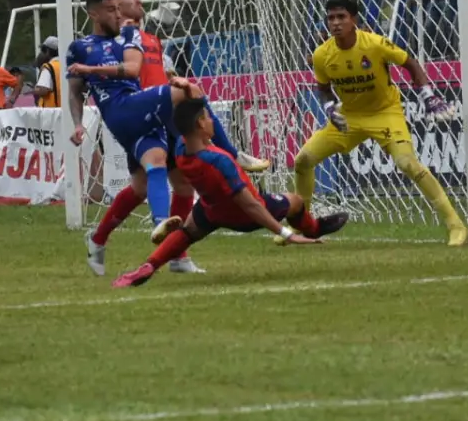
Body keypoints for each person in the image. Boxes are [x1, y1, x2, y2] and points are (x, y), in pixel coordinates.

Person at [67, 0, 256, 272]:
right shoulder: (85, 46)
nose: (131, 3)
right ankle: (231, 154)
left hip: (155, 109)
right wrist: (78, 123)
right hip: (135, 110)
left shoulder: (143, 38)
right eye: (123, 0)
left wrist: (168, 79)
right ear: (96, 12)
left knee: (158, 180)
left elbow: (135, 70)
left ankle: (155, 246)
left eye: (130, 0)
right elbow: (75, 90)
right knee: (190, 93)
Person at [111, 98, 349, 289]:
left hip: (211, 208)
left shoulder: (181, 148)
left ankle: (149, 265)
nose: (213, 120)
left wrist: (184, 90)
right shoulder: (220, 161)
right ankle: (314, 228)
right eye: (208, 116)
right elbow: (251, 206)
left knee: (189, 231)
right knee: (295, 201)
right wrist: (286, 233)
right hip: (243, 215)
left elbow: (185, 118)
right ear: (201, 125)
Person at [292, 0, 468, 246]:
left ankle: (456, 225)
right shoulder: (322, 54)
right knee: (303, 160)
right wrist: (330, 107)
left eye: (341, 17)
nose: (335, 23)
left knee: (407, 163)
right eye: (331, 18)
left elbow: (410, 63)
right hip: (351, 118)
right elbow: (324, 87)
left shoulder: (375, 44)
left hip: (385, 113)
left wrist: (428, 97)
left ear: (354, 20)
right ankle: (303, 225)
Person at [33, 36, 62, 108]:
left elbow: (43, 90)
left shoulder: (49, 67)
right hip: (67, 111)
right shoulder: (67, 65)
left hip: (51, 112)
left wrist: (35, 90)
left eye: (43, 50)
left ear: (47, 51)